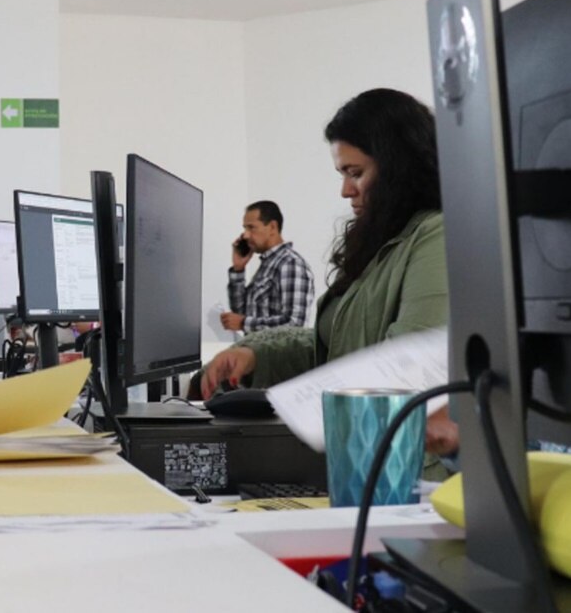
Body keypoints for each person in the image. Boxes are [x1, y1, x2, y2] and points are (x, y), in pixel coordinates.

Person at [193, 88, 458, 458]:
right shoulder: (383, 244)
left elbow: (406, 370)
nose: (345, 190)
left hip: (406, 471)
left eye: (356, 173)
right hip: (365, 457)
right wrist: (256, 355)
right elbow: (334, 349)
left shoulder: (437, 236)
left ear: (400, 167)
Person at [221, 200, 315, 333]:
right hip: (255, 350)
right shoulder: (268, 264)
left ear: (272, 227)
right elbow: (241, 312)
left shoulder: (290, 264)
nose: (246, 235)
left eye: (251, 227)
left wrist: (243, 323)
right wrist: (238, 269)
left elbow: (294, 325)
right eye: (244, 228)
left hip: (276, 354)